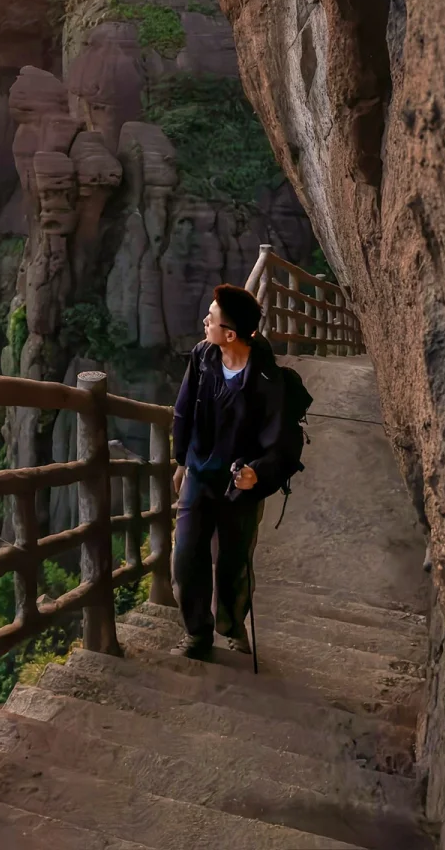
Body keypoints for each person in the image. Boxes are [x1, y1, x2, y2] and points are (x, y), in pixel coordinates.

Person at [170, 282, 285, 660]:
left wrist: (258, 473)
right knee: (187, 556)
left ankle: (232, 626)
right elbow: (183, 410)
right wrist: (181, 461)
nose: (205, 321)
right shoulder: (203, 357)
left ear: (230, 334)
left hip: (240, 485)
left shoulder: (266, 378)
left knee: (234, 563)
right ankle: (197, 634)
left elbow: (279, 441)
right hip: (200, 474)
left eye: (212, 318)